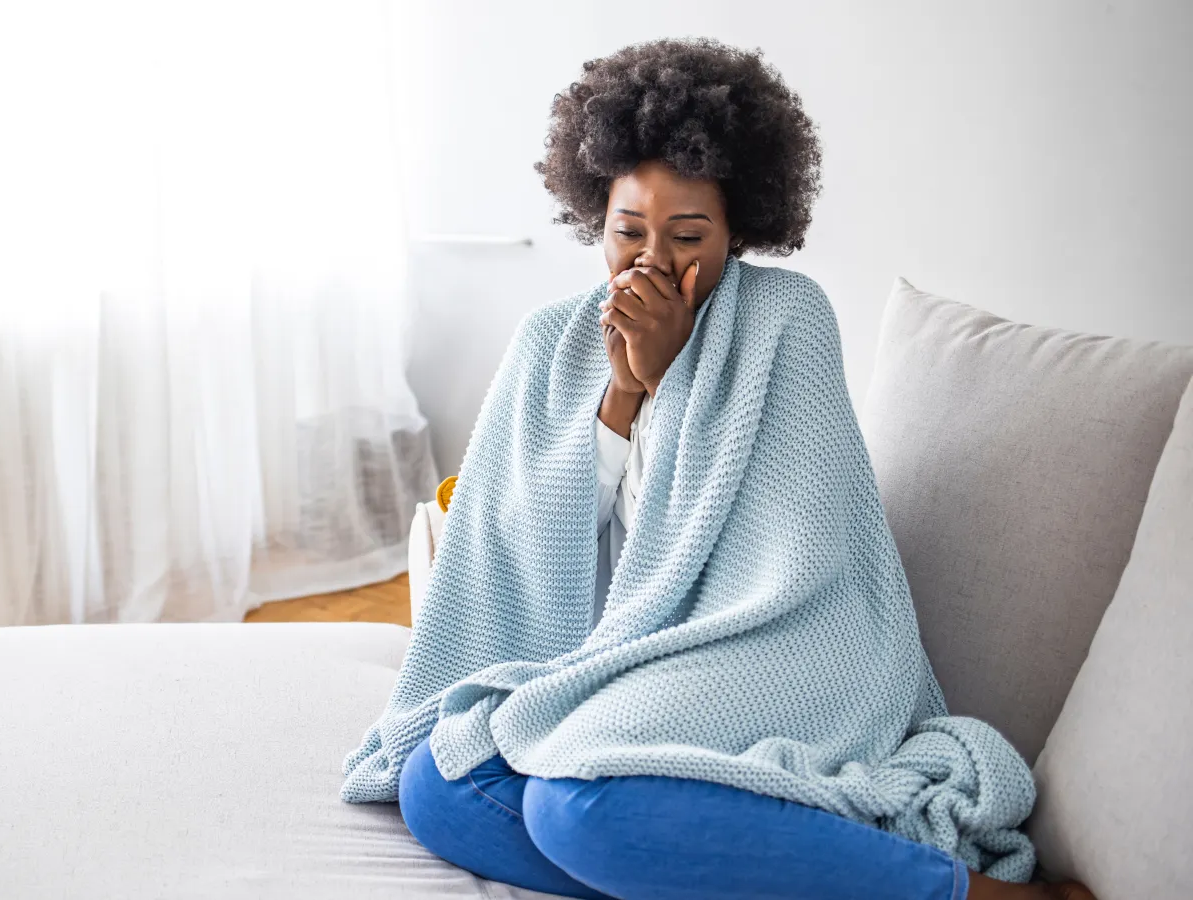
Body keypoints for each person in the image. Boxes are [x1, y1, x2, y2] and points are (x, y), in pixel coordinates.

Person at [366, 38, 1097, 900]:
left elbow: (790, 564)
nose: (654, 262)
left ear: (739, 227)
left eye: (688, 236)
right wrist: (622, 400)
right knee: (436, 778)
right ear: (592, 215)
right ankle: (715, 866)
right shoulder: (547, 344)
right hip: (595, 662)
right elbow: (524, 553)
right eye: (627, 232)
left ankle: (970, 894)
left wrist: (672, 376)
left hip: (746, 665)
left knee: (575, 807)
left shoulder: (789, 322)